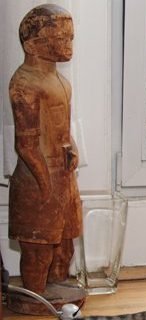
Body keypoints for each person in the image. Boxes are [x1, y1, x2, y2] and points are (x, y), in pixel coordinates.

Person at [8, 4, 82, 295]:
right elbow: (25, 144)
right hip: (39, 179)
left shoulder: (62, 81)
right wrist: (45, 185)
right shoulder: (23, 83)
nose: (68, 45)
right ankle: (35, 293)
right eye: (60, 39)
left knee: (65, 245)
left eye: (70, 38)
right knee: (39, 248)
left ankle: (56, 286)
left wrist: (72, 148)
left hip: (63, 176)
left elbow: (62, 128)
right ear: (33, 45)